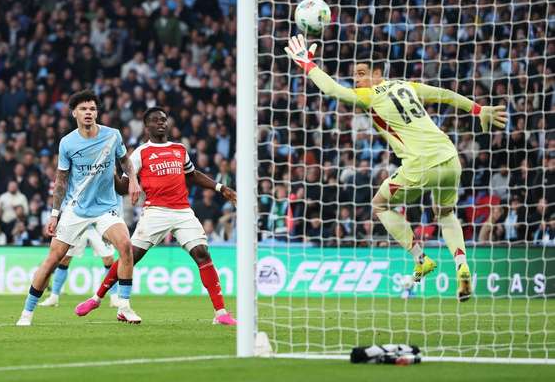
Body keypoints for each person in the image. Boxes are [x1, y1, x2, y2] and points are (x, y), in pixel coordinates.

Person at [284, 34, 507, 301]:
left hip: (421, 164)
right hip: (450, 157)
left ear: (378, 73)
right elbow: (442, 94)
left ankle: (420, 258)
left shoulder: (371, 95)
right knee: (445, 213)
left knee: (379, 204)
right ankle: (462, 266)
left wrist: (308, 64)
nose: (357, 80)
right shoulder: (407, 85)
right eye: (355, 75)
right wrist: (478, 109)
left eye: (362, 73)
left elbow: (332, 90)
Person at [75, 107, 237, 325]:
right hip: (156, 212)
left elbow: (193, 175)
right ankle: (97, 298)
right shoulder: (141, 153)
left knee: (202, 253)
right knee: (130, 256)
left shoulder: (179, 149)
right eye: (155, 120)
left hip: (182, 211)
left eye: (163, 119)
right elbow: (124, 187)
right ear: (147, 126)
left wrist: (220, 188)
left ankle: (221, 313)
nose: (160, 122)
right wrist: (109, 172)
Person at [16, 90, 141, 326]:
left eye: (92, 109)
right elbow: (61, 181)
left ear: (97, 113)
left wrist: (132, 179)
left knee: (125, 246)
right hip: (76, 209)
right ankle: (27, 312)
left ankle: (124, 307)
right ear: (74, 113)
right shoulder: (67, 143)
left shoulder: (112, 135)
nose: (88, 113)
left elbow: (125, 161)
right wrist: (55, 214)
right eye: (83, 109)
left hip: (106, 208)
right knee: (53, 259)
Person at [38, 225, 121, 308]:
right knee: (65, 258)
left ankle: (114, 298)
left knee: (108, 258)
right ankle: (53, 297)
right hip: (78, 222)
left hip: (97, 223)